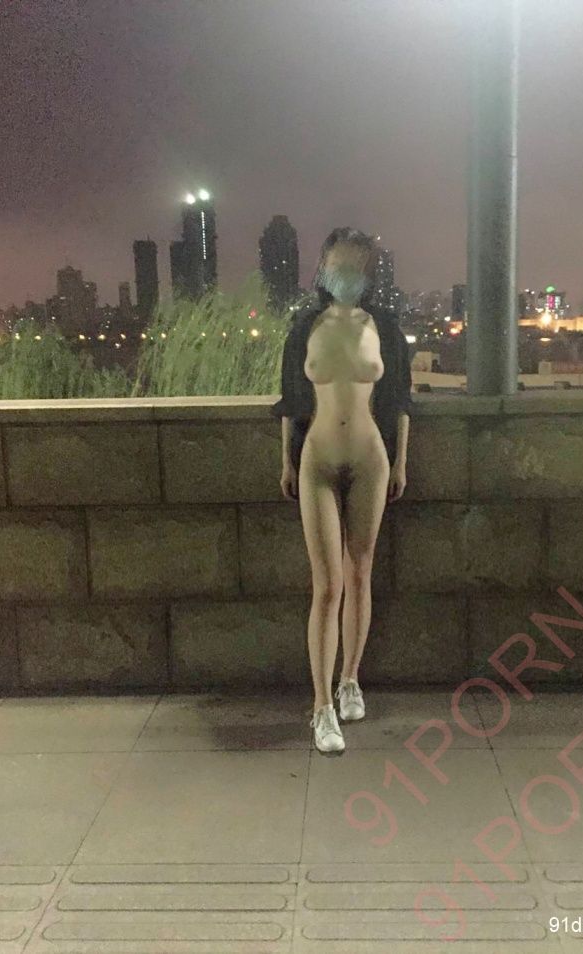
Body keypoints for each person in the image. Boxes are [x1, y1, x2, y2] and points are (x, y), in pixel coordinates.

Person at [270, 227, 414, 755]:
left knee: (360, 573)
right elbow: (290, 401)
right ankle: (320, 707)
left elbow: (400, 400)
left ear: (369, 272)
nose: (346, 274)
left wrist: (401, 462)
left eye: (357, 265)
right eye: (339, 264)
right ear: (323, 267)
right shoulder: (304, 326)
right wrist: (285, 460)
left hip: (371, 460)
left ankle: (350, 680)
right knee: (328, 586)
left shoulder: (385, 327)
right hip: (318, 461)